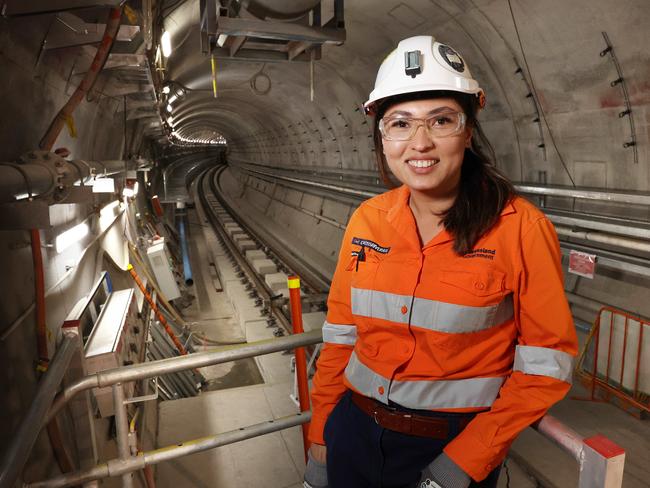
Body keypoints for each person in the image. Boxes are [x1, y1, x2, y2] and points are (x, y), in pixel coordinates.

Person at [302, 35, 578, 488]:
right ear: (382, 136)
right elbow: (340, 338)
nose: (420, 143)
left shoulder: (520, 228)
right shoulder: (367, 221)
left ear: (468, 132)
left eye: (441, 120)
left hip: (448, 448)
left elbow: (545, 367)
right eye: (401, 124)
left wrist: (464, 463)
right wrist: (322, 435)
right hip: (352, 430)